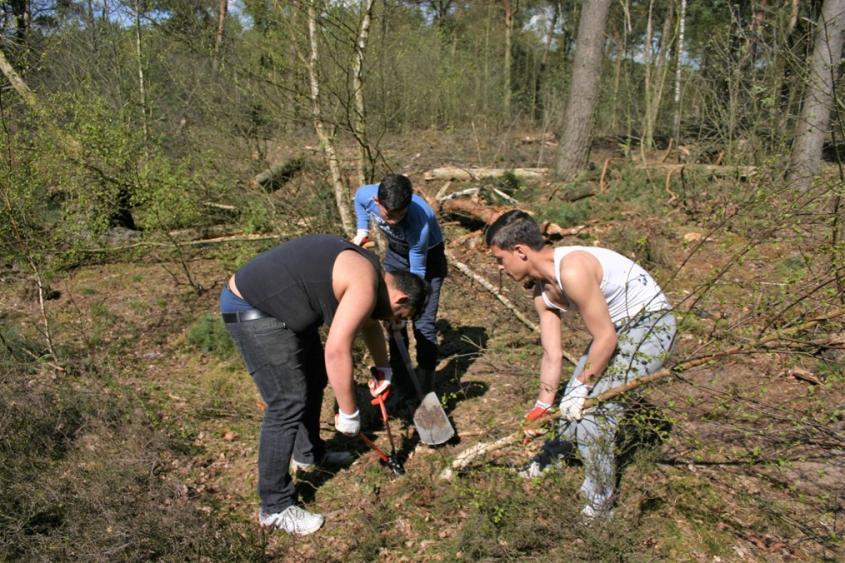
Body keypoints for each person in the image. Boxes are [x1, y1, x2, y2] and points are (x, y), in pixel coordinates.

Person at [220, 234, 427, 535]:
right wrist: (349, 412)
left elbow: (369, 323)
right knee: (286, 402)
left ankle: (308, 455)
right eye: (399, 316)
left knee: (315, 377)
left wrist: (384, 370)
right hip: (252, 308)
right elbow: (336, 349)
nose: (393, 321)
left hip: (281, 310)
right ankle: (274, 507)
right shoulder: (365, 286)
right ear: (400, 298)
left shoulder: (372, 273)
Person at [485, 210, 676, 519]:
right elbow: (552, 353)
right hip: (615, 329)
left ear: (520, 251)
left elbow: (605, 339)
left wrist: (582, 387)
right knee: (569, 406)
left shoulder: (571, 269)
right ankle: (553, 456)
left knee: (593, 415)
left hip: (650, 323)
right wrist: (542, 405)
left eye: (499, 258)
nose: (499, 267)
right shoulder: (541, 291)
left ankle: (600, 501)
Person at [352, 173, 447, 397]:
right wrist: (362, 231)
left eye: (400, 215)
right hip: (396, 254)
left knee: (423, 324)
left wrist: (409, 302)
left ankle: (426, 389)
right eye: (389, 215)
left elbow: (417, 269)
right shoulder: (367, 195)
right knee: (392, 321)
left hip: (427, 260)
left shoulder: (418, 220)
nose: (393, 220)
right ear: (377, 202)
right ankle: (402, 384)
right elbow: (357, 198)